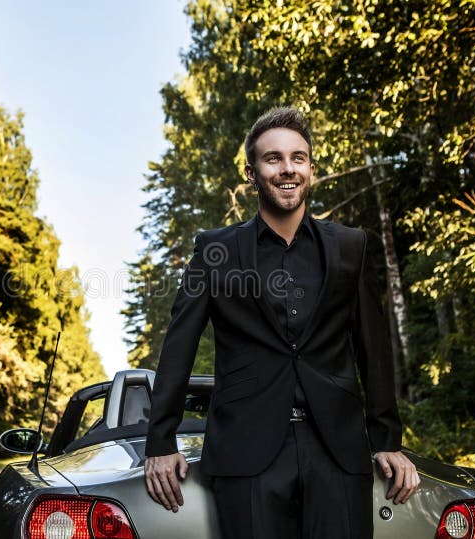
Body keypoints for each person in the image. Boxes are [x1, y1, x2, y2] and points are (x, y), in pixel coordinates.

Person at [143, 106, 420, 538]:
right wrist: (161, 442)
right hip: (245, 455)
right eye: (273, 158)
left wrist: (386, 440)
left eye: (298, 158)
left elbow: (374, 349)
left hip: (338, 452)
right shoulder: (214, 250)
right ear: (252, 172)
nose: (287, 169)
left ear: (310, 168)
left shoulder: (352, 246)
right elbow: (178, 346)